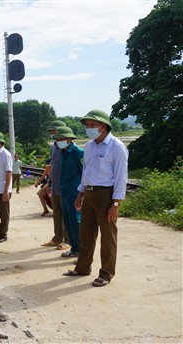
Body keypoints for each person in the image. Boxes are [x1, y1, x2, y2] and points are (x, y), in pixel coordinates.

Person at [63, 109, 128, 288]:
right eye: (87, 125)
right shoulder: (90, 146)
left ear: (104, 126)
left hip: (106, 194)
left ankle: (106, 273)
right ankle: (82, 267)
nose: (89, 128)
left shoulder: (116, 147)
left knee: (108, 237)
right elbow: (86, 171)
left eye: (93, 125)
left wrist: (115, 203)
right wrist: (81, 193)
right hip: (89, 193)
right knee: (86, 234)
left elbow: (121, 177)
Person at [53, 127, 84, 259]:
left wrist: (82, 194)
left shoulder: (78, 153)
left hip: (74, 193)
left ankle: (82, 252)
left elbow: (84, 174)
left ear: (70, 139)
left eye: (62, 138)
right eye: (58, 139)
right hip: (64, 192)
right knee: (68, 222)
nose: (59, 141)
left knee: (76, 223)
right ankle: (74, 248)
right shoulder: (62, 153)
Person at [41, 120, 70, 249]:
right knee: (57, 213)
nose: (52, 134)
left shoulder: (68, 148)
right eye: (51, 132)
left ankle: (68, 240)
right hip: (55, 186)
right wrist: (50, 184)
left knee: (67, 214)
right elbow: (52, 166)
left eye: (54, 131)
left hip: (66, 187)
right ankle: (57, 238)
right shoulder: (53, 147)